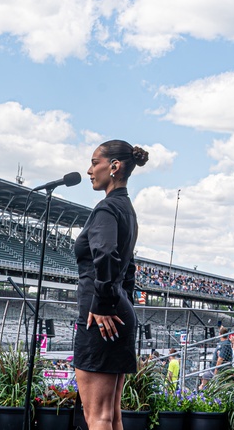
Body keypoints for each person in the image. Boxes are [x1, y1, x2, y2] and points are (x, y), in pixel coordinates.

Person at [73, 140, 147, 430]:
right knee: (111, 415)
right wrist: (117, 300)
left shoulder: (106, 209)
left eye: (94, 163)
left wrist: (103, 304)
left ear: (114, 166)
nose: (90, 170)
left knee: (99, 417)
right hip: (117, 313)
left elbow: (106, 255)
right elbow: (127, 267)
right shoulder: (126, 209)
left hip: (100, 317)